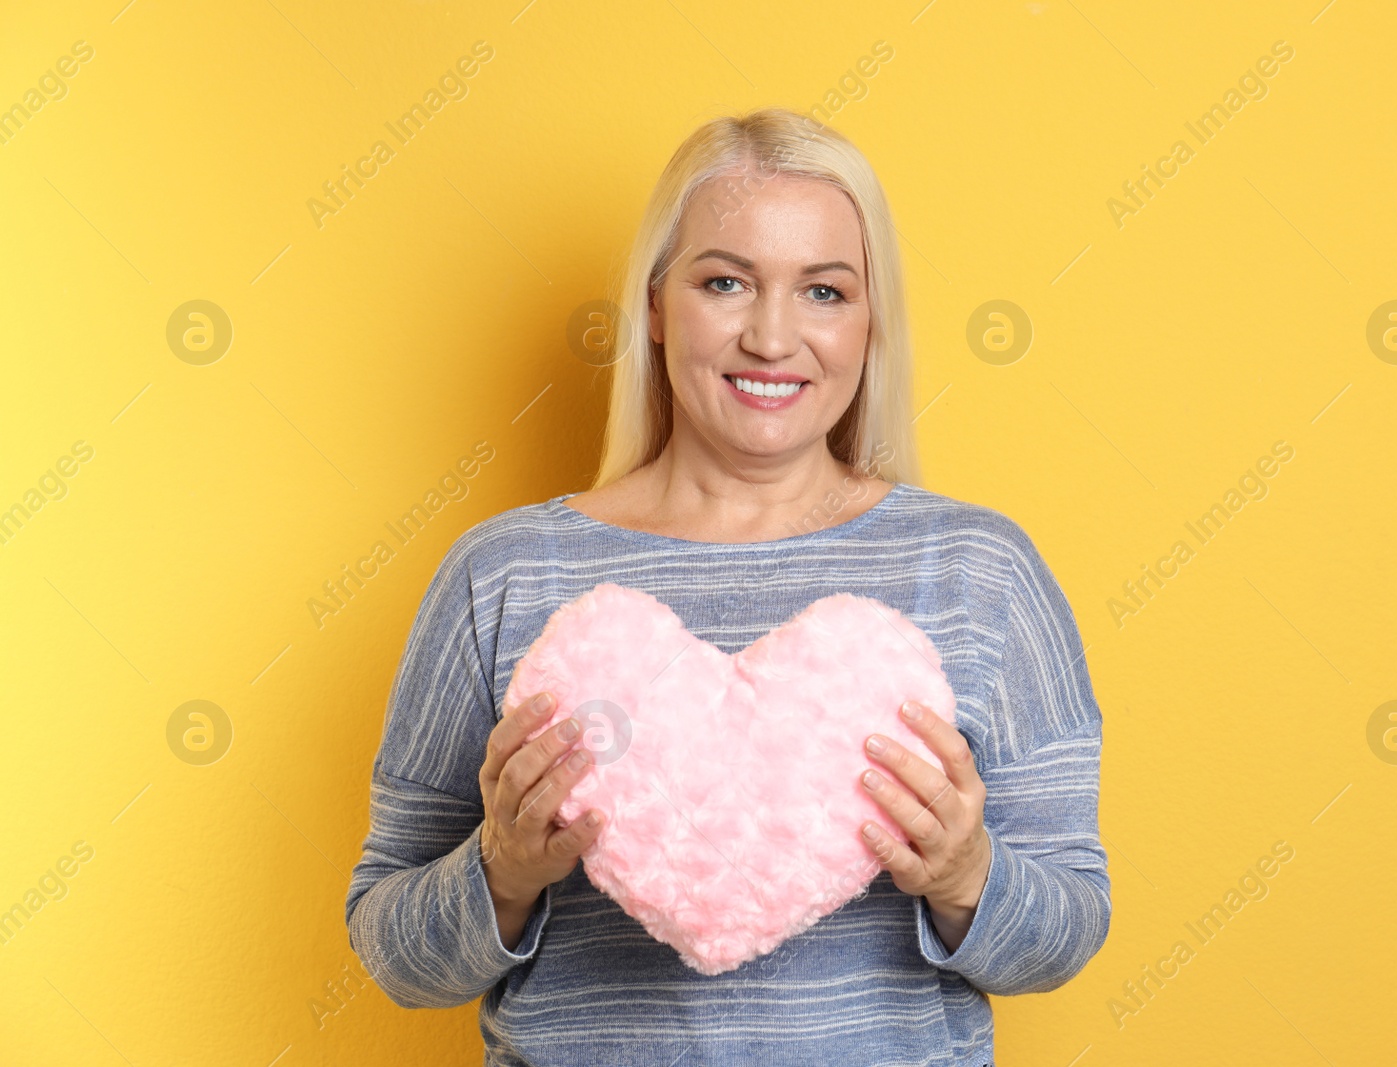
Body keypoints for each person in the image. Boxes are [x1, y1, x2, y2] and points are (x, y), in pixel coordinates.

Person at [345, 106, 1110, 1067]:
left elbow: (1070, 928)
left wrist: (968, 875)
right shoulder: (503, 573)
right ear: (658, 304)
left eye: (825, 291)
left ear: (872, 323)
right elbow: (391, 948)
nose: (773, 336)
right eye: (726, 282)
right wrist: (502, 871)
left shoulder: (978, 570)